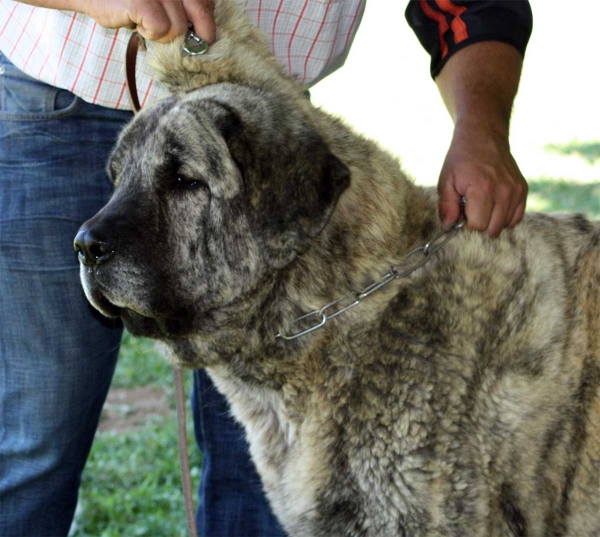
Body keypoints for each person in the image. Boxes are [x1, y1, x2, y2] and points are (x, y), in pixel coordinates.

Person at [0, 1, 533, 535]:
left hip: (261, 127)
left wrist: (482, 128)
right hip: (60, 102)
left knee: (257, 476)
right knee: (32, 444)